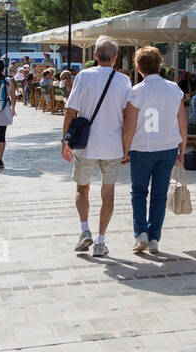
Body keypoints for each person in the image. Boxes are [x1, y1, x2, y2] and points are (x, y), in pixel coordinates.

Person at [61, 38, 130, 258]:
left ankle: (84, 230)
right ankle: (101, 241)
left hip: (85, 145)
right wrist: (128, 147)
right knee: (108, 193)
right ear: (116, 58)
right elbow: (129, 116)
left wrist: (65, 141)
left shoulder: (83, 76)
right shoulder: (124, 81)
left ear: (95, 57)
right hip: (113, 145)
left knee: (83, 189)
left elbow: (70, 112)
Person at [121, 45, 186, 257]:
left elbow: (129, 127)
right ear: (160, 65)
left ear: (138, 68)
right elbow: (182, 124)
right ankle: (155, 237)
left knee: (139, 192)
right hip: (167, 147)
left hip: (142, 147)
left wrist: (125, 150)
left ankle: (140, 233)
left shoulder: (136, 91)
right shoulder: (174, 89)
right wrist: (182, 149)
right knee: (159, 195)